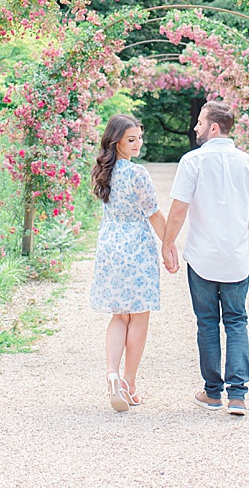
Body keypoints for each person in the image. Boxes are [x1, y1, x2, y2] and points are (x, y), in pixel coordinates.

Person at [161, 101, 249, 416]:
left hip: (202, 258)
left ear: (214, 127)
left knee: (207, 323)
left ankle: (212, 393)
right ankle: (238, 396)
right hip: (235, 258)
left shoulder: (192, 161)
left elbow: (179, 209)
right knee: (236, 322)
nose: (195, 127)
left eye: (200, 122)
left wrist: (168, 244)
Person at [89, 114, 167, 413]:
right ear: (116, 140)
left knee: (119, 315)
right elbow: (154, 214)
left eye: (139, 138)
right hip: (136, 245)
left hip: (109, 244)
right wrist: (168, 246)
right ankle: (128, 383)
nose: (137, 144)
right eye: (131, 139)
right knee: (139, 316)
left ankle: (111, 372)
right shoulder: (137, 174)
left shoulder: (103, 172)